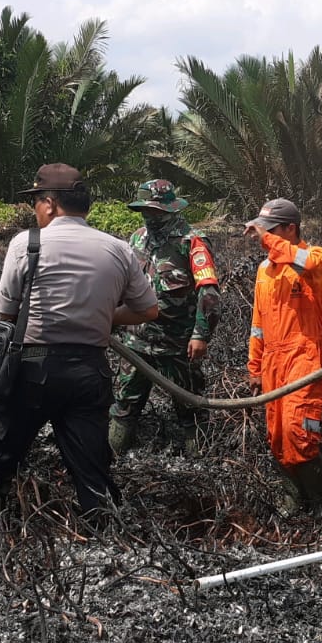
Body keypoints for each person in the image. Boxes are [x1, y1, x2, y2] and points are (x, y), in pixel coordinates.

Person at [0, 163, 159, 517]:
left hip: (31, 372)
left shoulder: (27, 243)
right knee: (93, 475)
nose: (34, 209)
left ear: (50, 203)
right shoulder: (118, 249)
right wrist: (104, 316)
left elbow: (4, 313)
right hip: (89, 374)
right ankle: (108, 547)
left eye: (35, 201)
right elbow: (148, 311)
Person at [109, 179, 222, 456]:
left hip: (177, 344)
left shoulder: (191, 242)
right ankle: (111, 457)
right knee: (125, 404)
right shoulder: (136, 239)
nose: (151, 217)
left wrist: (200, 335)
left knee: (190, 408)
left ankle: (200, 462)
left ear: (171, 210)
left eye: (156, 212)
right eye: (146, 211)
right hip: (135, 343)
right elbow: (121, 284)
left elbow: (209, 294)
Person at [244, 198, 322, 511]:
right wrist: (254, 367)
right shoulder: (264, 271)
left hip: (304, 359)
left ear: (290, 229)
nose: (263, 237)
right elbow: (258, 324)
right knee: (277, 435)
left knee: (300, 433)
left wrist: (265, 237)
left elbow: (306, 263)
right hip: (272, 363)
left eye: (271, 231)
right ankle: (293, 500)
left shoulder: (314, 258)